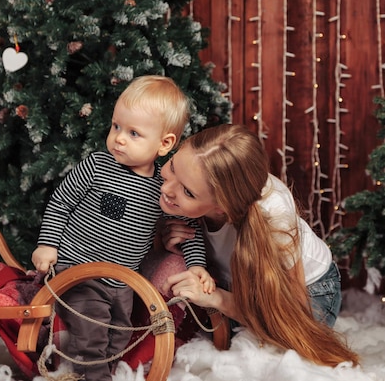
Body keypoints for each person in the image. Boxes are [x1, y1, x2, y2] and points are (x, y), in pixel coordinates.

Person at [31, 75, 214, 380]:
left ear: (165, 143)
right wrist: (47, 244)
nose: (118, 138)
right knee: (92, 336)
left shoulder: (163, 186)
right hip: (81, 272)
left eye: (133, 133)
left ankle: (99, 372)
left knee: (119, 337)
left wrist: (197, 266)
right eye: (116, 126)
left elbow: (188, 229)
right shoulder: (96, 166)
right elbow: (61, 202)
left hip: (125, 282)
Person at [155, 123, 360, 367]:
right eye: (173, 166)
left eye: (188, 192)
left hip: (306, 294)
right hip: (236, 285)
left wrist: (217, 299)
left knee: (271, 362)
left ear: (222, 208)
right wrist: (165, 238)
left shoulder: (273, 217)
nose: (166, 188)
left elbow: (291, 315)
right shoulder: (185, 176)